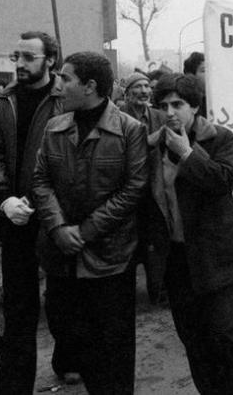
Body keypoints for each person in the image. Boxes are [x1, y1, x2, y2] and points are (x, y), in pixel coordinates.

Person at [33, 52, 147, 395]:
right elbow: (40, 181)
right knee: (71, 335)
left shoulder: (129, 130)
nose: (59, 85)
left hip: (111, 258)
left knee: (113, 347)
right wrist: (58, 228)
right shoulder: (55, 127)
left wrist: (84, 232)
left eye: (66, 78)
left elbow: (134, 188)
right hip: (62, 259)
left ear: (91, 85)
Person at [150, 73, 233, 394]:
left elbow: (223, 180)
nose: (170, 112)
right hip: (177, 258)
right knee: (194, 339)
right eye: (164, 105)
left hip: (216, 255)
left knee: (225, 335)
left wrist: (187, 153)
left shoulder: (219, 138)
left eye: (178, 104)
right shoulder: (152, 145)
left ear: (195, 106)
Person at [0, 31, 68, 394]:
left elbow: (69, 159)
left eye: (29, 57)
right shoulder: (5, 102)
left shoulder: (66, 99)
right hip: (15, 217)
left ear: (49, 60)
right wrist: (5, 199)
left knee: (65, 299)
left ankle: (71, 361)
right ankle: (12, 386)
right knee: (19, 306)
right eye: (16, 56)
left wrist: (35, 200)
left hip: (55, 215)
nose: (19, 64)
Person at [118, 71, 168, 304]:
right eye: (137, 87)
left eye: (147, 86)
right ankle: (124, 293)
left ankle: (158, 291)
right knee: (128, 242)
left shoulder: (160, 116)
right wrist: (149, 141)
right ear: (127, 93)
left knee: (157, 241)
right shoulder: (117, 118)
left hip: (155, 188)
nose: (144, 91)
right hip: (128, 190)